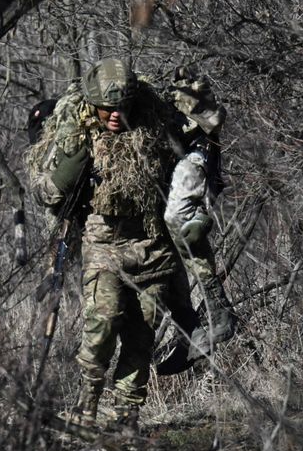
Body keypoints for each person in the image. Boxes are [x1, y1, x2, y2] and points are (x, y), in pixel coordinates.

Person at [27, 58, 200, 432]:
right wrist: (68, 174)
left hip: (152, 244)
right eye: (107, 109)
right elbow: (46, 191)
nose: (115, 116)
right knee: (102, 323)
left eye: (121, 108)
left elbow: (189, 163)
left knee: (141, 332)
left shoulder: (155, 127)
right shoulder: (75, 130)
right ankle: (86, 408)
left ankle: (126, 416)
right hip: (103, 241)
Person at [155, 72, 238, 375]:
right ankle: (187, 331)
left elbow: (213, 120)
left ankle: (220, 312)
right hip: (162, 166)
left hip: (193, 155)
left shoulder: (167, 92)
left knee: (179, 221)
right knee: (156, 249)